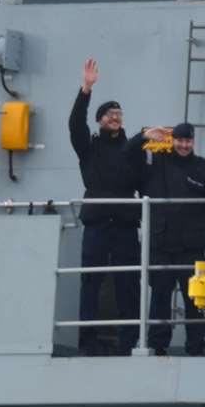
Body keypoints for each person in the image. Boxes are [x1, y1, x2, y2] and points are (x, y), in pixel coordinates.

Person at [67, 58, 142, 355]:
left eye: (119, 114)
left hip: (124, 224)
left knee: (128, 284)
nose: (115, 117)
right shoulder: (89, 147)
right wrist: (86, 89)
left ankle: (129, 342)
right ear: (99, 119)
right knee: (91, 283)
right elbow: (74, 125)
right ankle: (87, 342)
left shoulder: (131, 147)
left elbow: (142, 171)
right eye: (110, 114)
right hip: (97, 224)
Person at [129, 122, 205, 356]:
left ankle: (196, 345)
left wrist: (199, 225)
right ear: (173, 141)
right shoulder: (156, 162)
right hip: (161, 245)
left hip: (192, 246)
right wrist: (143, 136)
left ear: (193, 142)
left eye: (188, 141)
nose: (183, 145)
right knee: (160, 297)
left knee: (195, 298)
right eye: (179, 140)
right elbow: (127, 154)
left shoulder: (202, 168)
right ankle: (157, 345)